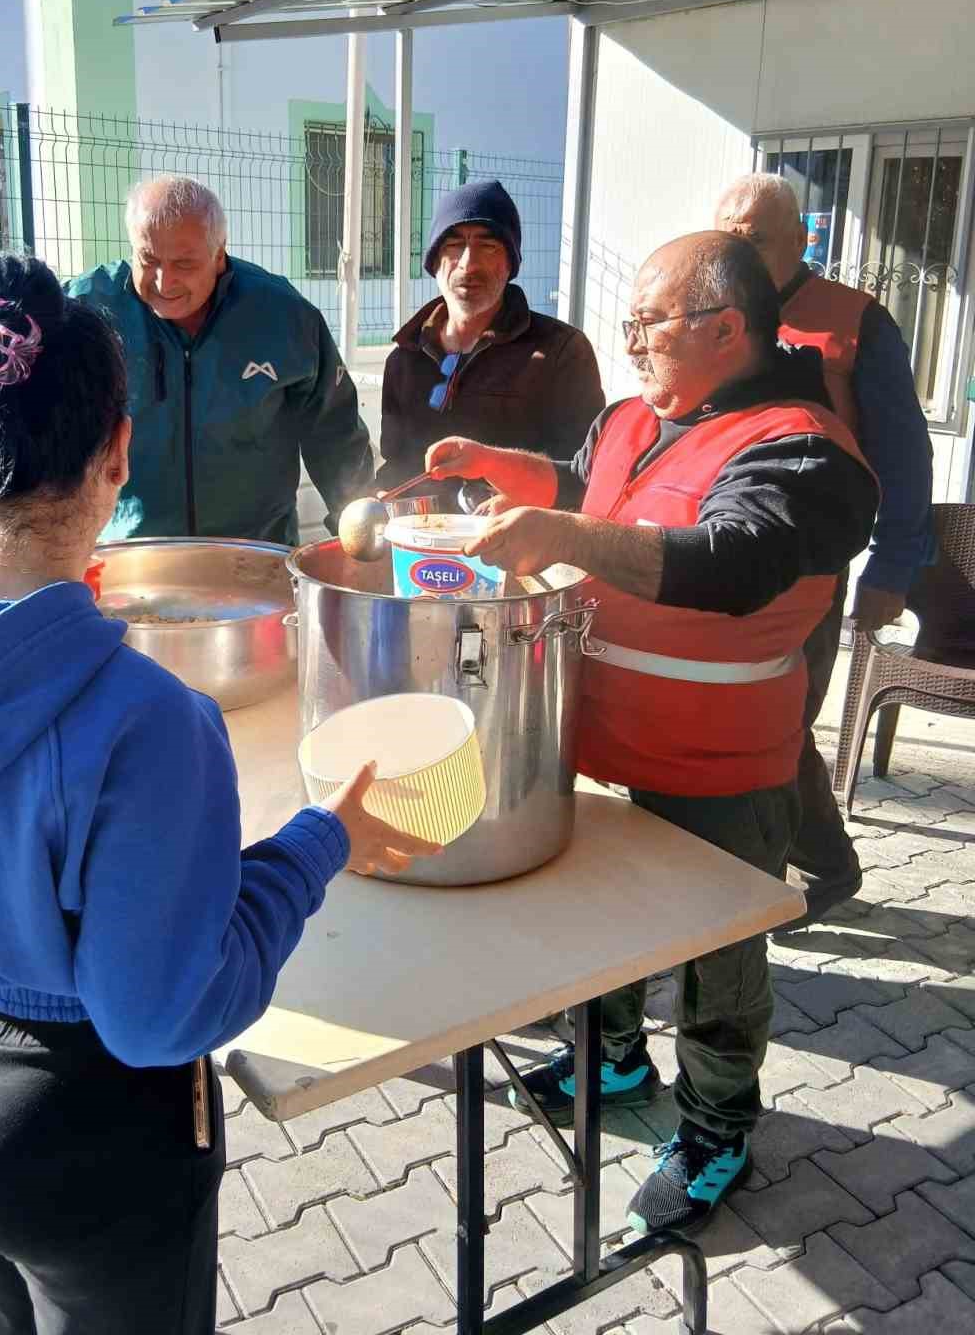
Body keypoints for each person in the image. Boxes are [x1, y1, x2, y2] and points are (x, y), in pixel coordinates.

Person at [0, 252, 434, 1334]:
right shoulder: (148, 721)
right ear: (117, 454)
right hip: (81, 1137)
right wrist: (321, 842)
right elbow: (157, 1009)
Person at [426, 232, 877, 1236]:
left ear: (724, 329)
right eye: (626, 324)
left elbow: (734, 558)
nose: (630, 344)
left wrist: (563, 539)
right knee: (598, 928)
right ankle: (612, 1057)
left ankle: (717, 1128)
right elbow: (585, 488)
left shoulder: (805, 448)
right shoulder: (635, 414)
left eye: (647, 325)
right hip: (594, 741)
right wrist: (499, 468)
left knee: (718, 965)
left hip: (719, 769)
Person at [715, 174, 934, 926]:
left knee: (780, 719)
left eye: (754, 237)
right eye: (726, 235)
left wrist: (895, 566)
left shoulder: (854, 320)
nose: (736, 250)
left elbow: (905, 454)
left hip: (809, 563)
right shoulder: (718, 314)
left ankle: (789, 876)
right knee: (751, 715)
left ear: (800, 239)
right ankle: (821, 863)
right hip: (724, 550)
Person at [69, 175, 374, 544]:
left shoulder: (284, 316)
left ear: (219, 253)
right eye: (148, 259)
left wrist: (356, 533)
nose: (164, 283)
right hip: (130, 558)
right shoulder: (86, 312)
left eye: (184, 264)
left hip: (257, 556)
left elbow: (336, 434)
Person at [377, 180, 604, 507]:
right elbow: (397, 464)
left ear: (510, 263)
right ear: (433, 263)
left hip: (520, 549)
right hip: (423, 546)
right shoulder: (405, 359)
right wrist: (379, 500)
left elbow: (582, 472)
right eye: (454, 245)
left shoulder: (559, 352)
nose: (469, 265)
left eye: (488, 246)